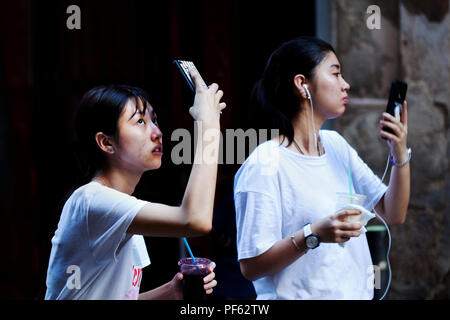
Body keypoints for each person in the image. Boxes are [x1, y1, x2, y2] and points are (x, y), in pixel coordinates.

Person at [234, 36, 410, 299]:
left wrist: (399, 152)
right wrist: (312, 235)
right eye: (336, 74)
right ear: (302, 84)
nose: (346, 84)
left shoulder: (336, 145)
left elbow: (392, 212)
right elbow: (251, 266)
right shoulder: (265, 164)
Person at [45, 70, 226, 300]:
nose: (157, 133)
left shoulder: (121, 206)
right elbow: (195, 220)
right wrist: (209, 126)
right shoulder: (92, 200)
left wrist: (171, 292)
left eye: (154, 120)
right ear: (106, 142)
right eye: (140, 121)